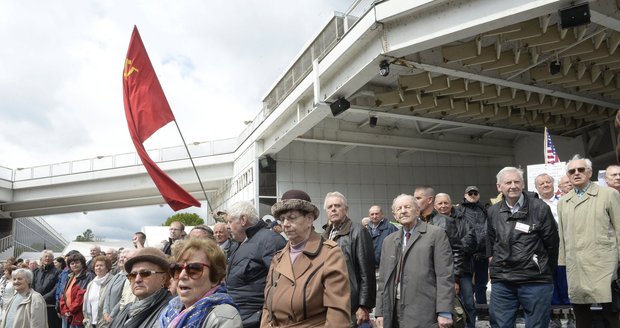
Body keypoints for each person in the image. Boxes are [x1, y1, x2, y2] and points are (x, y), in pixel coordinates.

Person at [261, 189, 351, 327]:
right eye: (282, 219)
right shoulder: (278, 257)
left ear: (309, 219)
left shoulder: (329, 254)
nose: (285, 224)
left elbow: (337, 313)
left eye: (292, 217)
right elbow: (267, 308)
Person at [486, 167, 559, 328]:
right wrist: (495, 268)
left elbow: (552, 243)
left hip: (535, 280)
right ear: (499, 187)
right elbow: (490, 243)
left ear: (523, 185)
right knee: (500, 324)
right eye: (508, 182)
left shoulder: (540, 208)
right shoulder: (492, 211)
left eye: (517, 181)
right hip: (503, 281)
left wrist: (544, 269)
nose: (513, 185)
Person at [558, 155, 620, 328]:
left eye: (581, 169)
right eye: (572, 171)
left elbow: (619, 228)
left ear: (590, 172)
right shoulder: (563, 202)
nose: (576, 173)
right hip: (576, 265)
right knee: (581, 312)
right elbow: (562, 236)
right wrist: (563, 262)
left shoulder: (609, 194)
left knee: (611, 312)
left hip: (604, 264)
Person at [375, 194, 454, 328]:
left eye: (407, 207)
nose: (403, 211)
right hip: (394, 311)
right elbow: (383, 281)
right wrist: (380, 312)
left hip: (424, 311)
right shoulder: (388, 241)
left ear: (417, 211)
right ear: (395, 215)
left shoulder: (436, 234)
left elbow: (444, 275)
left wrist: (445, 311)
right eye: (399, 209)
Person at [225, 201, 287, 328]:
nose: (227, 226)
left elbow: (282, 284)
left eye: (230, 221)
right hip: (235, 316)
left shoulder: (270, 240)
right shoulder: (239, 243)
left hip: (254, 320)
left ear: (243, 220)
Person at [159, 238, 242, 328]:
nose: (182, 276)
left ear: (215, 278)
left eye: (193, 269)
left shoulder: (224, 317)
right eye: (177, 269)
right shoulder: (169, 311)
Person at [322, 192, 375, 327]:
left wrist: (364, 306)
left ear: (346, 209)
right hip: (329, 302)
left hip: (351, 304)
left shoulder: (358, 231)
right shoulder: (324, 235)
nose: (333, 209)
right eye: (329, 207)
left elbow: (367, 271)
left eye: (337, 206)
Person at [436, 192, 477, 328]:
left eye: (446, 203)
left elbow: (471, 238)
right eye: (440, 203)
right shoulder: (432, 221)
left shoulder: (462, 219)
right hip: (440, 271)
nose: (443, 206)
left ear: (451, 203)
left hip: (463, 268)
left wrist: (452, 248)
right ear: (435, 206)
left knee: (468, 303)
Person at [110, 247, 172, 328]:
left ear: (163, 278)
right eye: (133, 275)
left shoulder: (170, 312)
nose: (137, 279)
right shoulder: (126, 310)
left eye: (145, 273)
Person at [459, 185, 489, 311]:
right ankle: (467, 309)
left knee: (481, 283)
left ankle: (482, 308)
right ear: (465, 195)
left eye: (475, 193)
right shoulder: (459, 210)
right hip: (467, 253)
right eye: (470, 193)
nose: (472, 195)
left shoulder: (484, 209)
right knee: (466, 284)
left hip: (482, 252)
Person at [59, 252, 95, 328]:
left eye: (77, 262)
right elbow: (64, 294)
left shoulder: (88, 276)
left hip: (79, 315)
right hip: (70, 315)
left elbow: (81, 296)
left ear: (82, 263)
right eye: (72, 263)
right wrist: (64, 309)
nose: (74, 265)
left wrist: (70, 310)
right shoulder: (71, 276)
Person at [102, 249, 132, 325]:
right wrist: (105, 312)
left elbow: (123, 298)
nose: (121, 259)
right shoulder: (116, 276)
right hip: (107, 318)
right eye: (120, 257)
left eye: (125, 257)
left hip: (118, 318)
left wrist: (112, 315)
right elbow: (107, 295)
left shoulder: (130, 277)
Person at [82, 256, 113, 328]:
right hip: (91, 323)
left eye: (101, 265)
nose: (98, 268)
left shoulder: (112, 281)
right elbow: (86, 304)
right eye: (96, 266)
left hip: (105, 323)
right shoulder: (91, 283)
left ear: (107, 268)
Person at [32, 250, 60, 328]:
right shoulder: (35, 272)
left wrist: (43, 298)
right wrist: (36, 298)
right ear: (41, 258)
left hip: (50, 306)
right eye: (45, 256)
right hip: (36, 304)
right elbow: (32, 286)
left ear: (53, 259)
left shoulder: (58, 272)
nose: (47, 258)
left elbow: (56, 288)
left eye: (50, 257)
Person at [367, 205, 398, 270]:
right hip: (371, 267)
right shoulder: (366, 229)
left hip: (386, 267)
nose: (374, 216)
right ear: (369, 216)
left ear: (382, 214)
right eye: (372, 214)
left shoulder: (391, 228)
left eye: (377, 214)